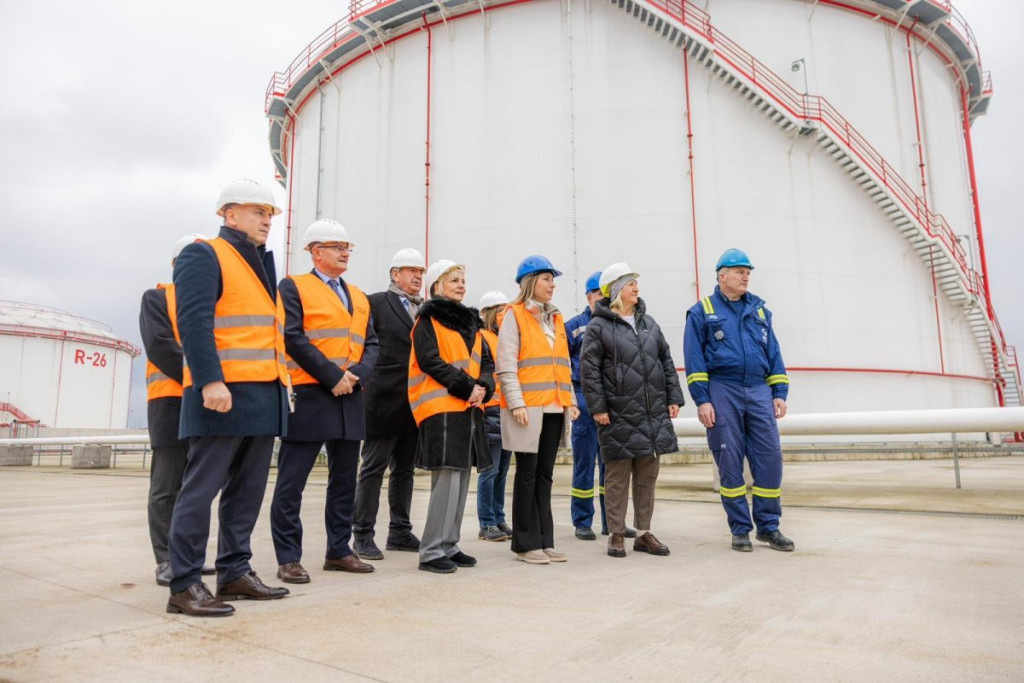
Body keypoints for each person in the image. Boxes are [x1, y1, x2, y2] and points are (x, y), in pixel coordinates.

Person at [166, 178, 291, 617]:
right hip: (222, 394)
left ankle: (235, 572)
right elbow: (193, 321)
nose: (267, 220)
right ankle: (184, 584)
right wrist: (209, 381)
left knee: (247, 491)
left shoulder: (260, 265)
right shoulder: (204, 253)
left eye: (270, 214)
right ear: (229, 214)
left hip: (263, 394)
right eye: (258, 212)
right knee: (200, 490)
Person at [270, 220, 379, 583]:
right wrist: (333, 376)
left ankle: (339, 550)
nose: (346, 253)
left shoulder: (359, 296)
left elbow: (372, 344)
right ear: (316, 252)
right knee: (292, 481)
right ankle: (289, 557)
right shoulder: (293, 287)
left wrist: (356, 375)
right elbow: (293, 337)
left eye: (348, 248)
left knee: (345, 481)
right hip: (311, 394)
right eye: (338, 247)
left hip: (351, 395)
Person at [683, 248, 794, 553]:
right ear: (722, 276)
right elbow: (694, 360)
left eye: (748, 272)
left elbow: (774, 354)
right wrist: (702, 399)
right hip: (723, 389)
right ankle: (740, 529)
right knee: (729, 460)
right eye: (739, 271)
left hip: (758, 390)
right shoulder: (701, 312)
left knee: (770, 458)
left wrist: (779, 392)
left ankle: (769, 528)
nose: (746, 276)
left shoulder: (760, 312)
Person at [581, 263, 684, 558]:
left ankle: (643, 533)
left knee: (647, 474)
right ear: (615, 290)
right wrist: (598, 407)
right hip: (618, 411)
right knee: (617, 474)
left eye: (636, 283)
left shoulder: (649, 323)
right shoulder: (598, 327)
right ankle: (616, 533)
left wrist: (673, 397)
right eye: (629, 283)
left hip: (652, 412)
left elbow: (666, 361)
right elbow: (589, 372)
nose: (636, 287)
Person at [139, 233, 215, 587]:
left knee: (198, 485)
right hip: (171, 400)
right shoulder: (157, 298)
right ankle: (166, 559)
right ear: (175, 266)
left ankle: (189, 557)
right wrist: (205, 375)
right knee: (167, 485)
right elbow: (159, 345)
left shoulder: (213, 302)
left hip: (207, 398)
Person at [410, 260, 495, 573]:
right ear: (437, 287)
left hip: (468, 407)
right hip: (442, 407)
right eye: (454, 280)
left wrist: (483, 386)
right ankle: (431, 550)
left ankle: (449, 544)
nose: (461, 285)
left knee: (460, 479)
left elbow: (486, 362)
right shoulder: (428, 320)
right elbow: (429, 360)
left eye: (463, 280)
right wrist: (466, 386)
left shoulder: (472, 324)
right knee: (446, 480)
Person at [497, 255, 579, 565]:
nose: (552, 284)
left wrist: (570, 401)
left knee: (545, 475)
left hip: (555, 406)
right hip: (528, 408)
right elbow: (506, 364)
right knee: (527, 474)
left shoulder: (554, 318)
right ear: (531, 282)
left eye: (553, 279)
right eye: (547, 278)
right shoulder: (514, 315)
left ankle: (545, 541)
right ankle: (525, 544)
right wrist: (516, 402)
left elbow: (564, 364)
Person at [353, 248, 426, 560]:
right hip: (382, 399)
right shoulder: (376, 303)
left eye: (421, 272)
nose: (418, 277)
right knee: (373, 468)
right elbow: (363, 345)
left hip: (414, 402)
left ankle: (400, 531)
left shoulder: (424, 310)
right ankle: (362, 534)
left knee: (405, 471)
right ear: (395, 274)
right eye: (411, 271)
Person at [565, 271, 635, 541]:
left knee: (613, 466)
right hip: (583, 398)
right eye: (599, 294)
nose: (604, 299)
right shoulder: (574, 327)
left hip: (612, 400)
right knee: (584, 464)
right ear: (589, 296)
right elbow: (562, 364)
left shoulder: (615, 324)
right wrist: (572, 401)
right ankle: (583, 521)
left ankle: (612, 521)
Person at [475, 290, 513, 542]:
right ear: (487, 313)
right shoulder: (481, 338)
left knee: (502, 471)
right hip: (491, 411)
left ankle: (499, 518)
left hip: (508, 410)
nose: (503, 315)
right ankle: (487, 523)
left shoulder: (506, 338)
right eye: (499, 310)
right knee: (490, 471)